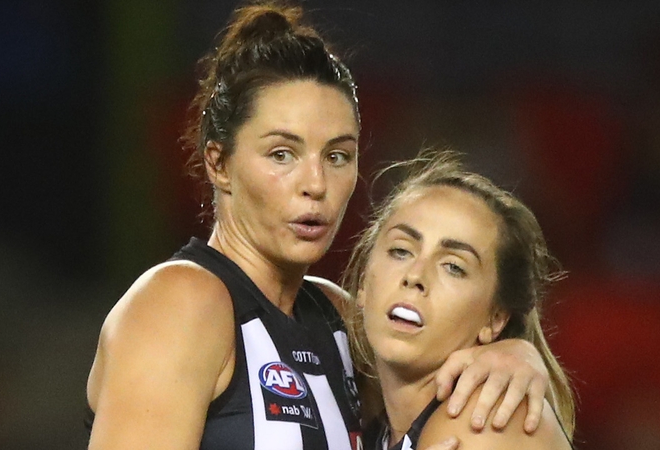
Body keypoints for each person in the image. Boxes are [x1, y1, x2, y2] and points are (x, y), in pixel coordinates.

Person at [85, 2, 554, 449]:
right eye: (282, 154)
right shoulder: (182, 304)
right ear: (219, 163)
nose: (315, 184)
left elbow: (440, 378)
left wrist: (514, 356)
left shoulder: (340, 317)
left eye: (337, 157)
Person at [342, 149, 577, 449]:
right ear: (363, 281)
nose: (415, 276)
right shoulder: (376, 425)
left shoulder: (484, 420)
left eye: (453, 267)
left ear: (496, 318)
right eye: (401, 251)